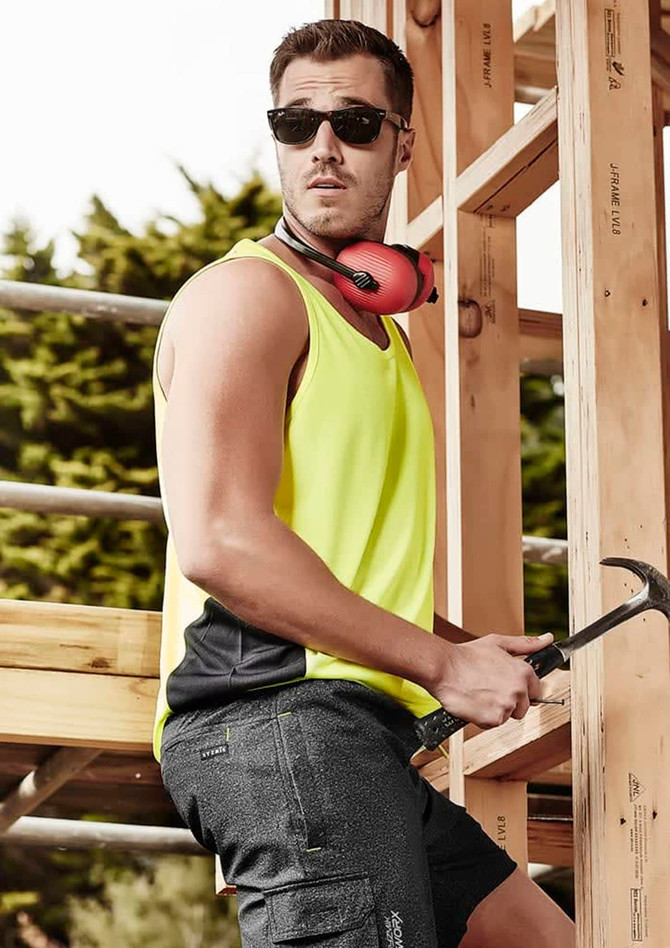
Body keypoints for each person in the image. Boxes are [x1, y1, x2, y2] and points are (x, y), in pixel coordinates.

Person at [151, 18, 575, 948]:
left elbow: (327, 580)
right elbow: (221, 539)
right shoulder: (248, 297)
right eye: (296, 125)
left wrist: (464, 646)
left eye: (355, 122)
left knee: (544, 941)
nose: (324, 148)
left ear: (403, 142)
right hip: (274, 725)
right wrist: (443, 667)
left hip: (355, 734)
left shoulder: (379, 337)